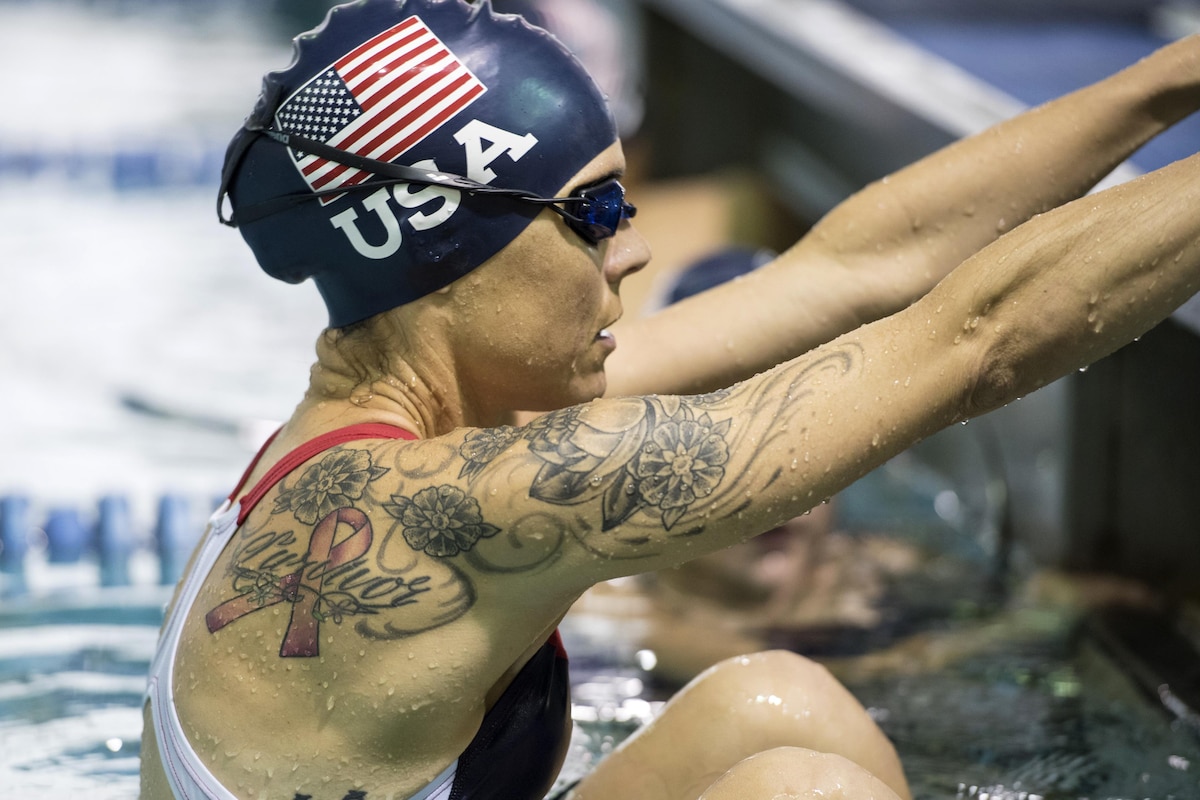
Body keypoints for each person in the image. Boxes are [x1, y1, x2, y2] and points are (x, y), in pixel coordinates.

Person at [139, 1, 1200, 798]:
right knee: (805, 792)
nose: (635, 249)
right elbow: (977, 344)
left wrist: (1173, 80)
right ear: (451, 247)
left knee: (770, 707)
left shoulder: (400, 432)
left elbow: (850, 269)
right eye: (591, 210)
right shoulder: (458, 505)